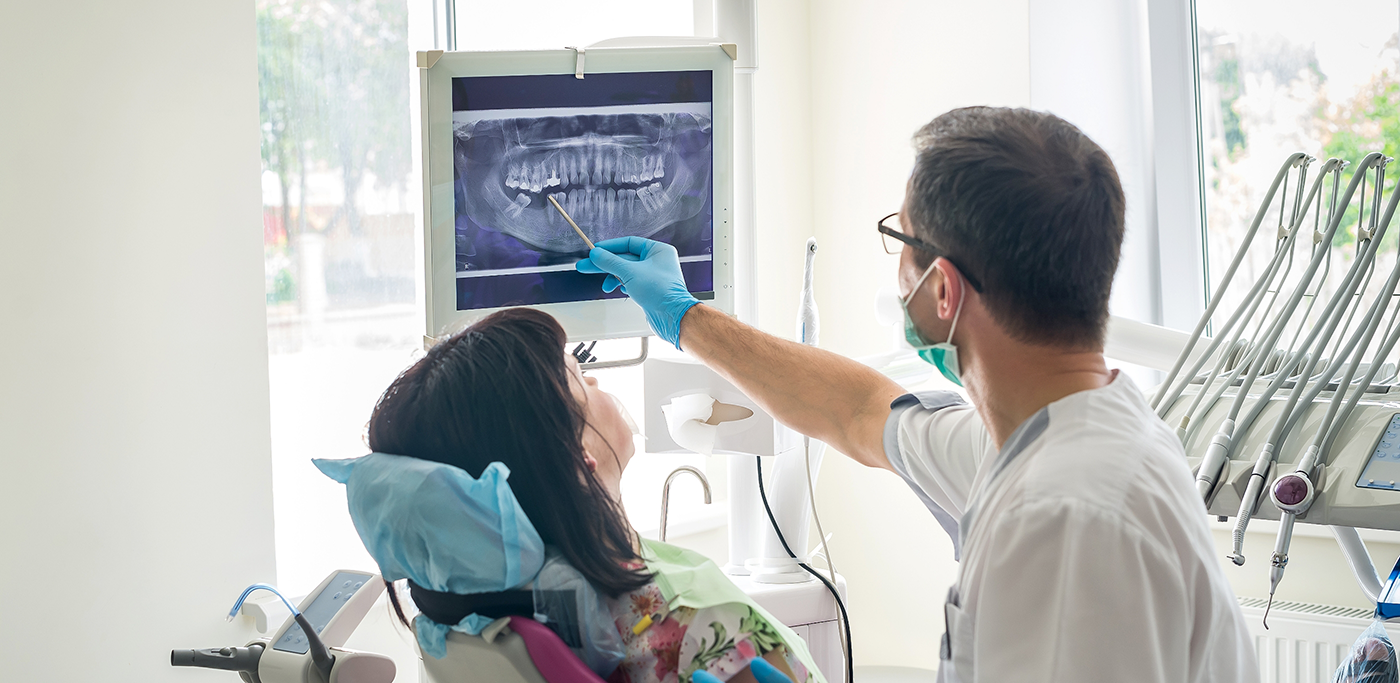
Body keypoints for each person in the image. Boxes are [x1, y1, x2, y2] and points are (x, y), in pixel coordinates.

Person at [575, 106, 1259, 682]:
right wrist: (685, 316)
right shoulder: (1059, 434)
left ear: (942, 289)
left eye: (898, 238)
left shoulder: (1062, 516)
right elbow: (857, 409)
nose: (894, 265)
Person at [328, 307, 824, 683]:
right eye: (580, 381)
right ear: (578, 455)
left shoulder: (466, 619)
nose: (596, 379)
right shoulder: (701, 628)